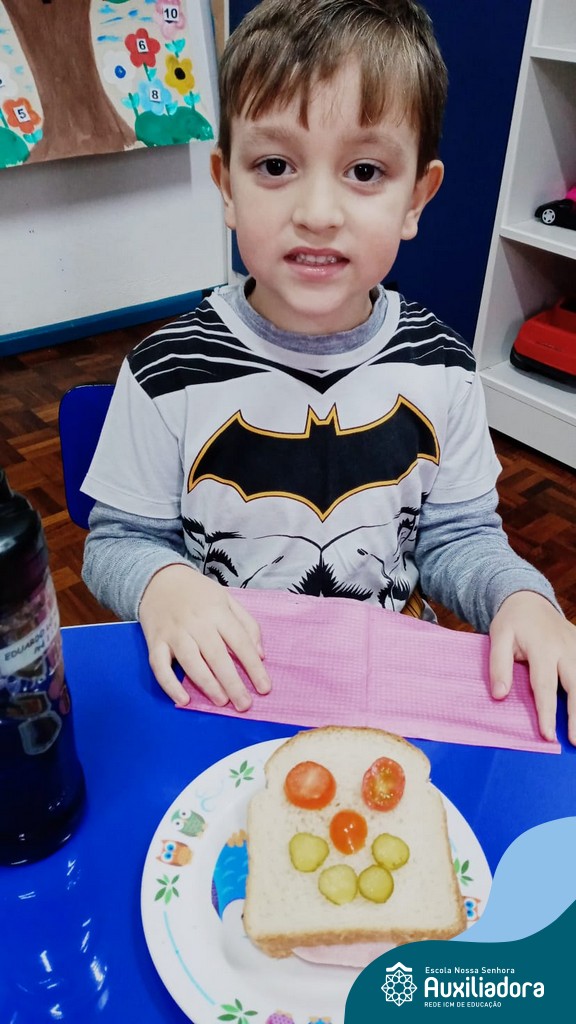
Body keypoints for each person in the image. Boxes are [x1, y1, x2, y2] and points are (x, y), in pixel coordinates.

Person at [81, 0, 576, 744]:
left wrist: (522, 598)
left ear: (416, 199)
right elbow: (116, 542)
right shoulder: (167, 372)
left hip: (388, 693)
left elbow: (459, 537)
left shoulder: (444, 368)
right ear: (226, 185)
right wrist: (164, 583)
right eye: (275, 166)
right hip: (228, 687)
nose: (317, 212)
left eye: (365, 171)